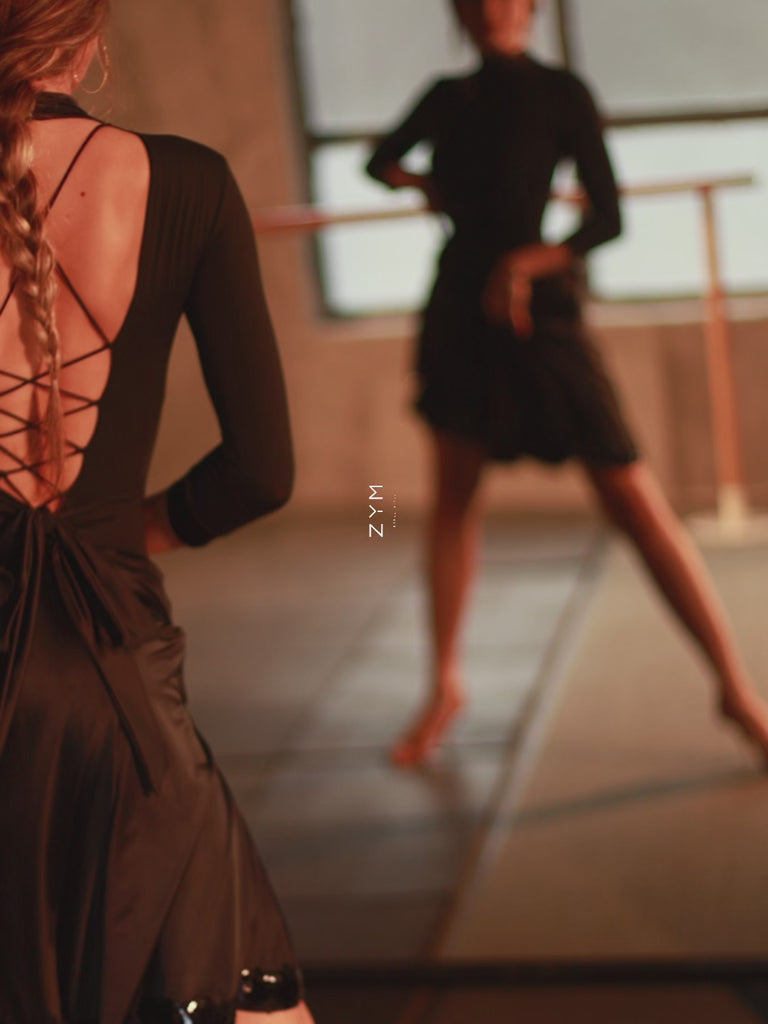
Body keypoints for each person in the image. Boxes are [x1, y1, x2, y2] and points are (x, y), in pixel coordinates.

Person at [0, 2, 315, 1022]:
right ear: (88, 41)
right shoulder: (187, 182)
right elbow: (261, 471)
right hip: (110, 687)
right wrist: (128, 532)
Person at [366, 0, 768, 768]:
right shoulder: (447, 97)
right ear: (460, 14)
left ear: (530, 8)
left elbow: (606, 219)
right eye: (476, 1)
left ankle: (736, 689)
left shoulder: (560, 93)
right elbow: (377, 161)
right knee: (451, 500)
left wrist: (525, 264)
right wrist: (422, 186)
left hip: (540, 316)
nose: (492, 11)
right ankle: (444, 686)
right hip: (458, 310)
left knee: (633, 496)